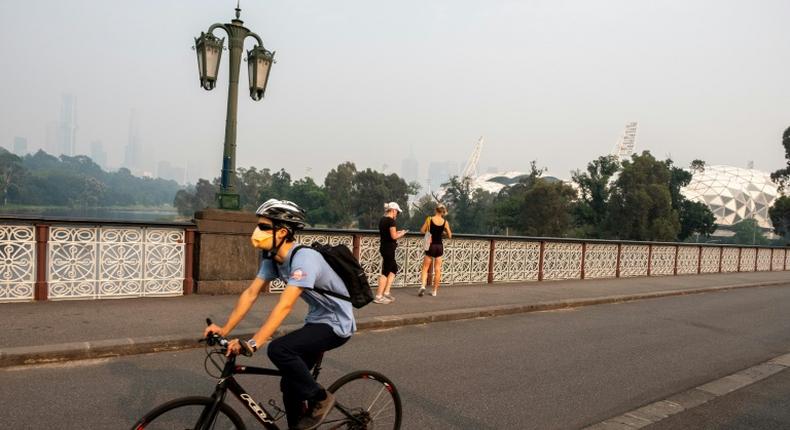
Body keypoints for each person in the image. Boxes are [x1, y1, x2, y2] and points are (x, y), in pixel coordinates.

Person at [203, 199, 355, 430]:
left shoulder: (305, 259)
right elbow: (251, 293)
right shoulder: (272, 258)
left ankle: (321, 398)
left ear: (283, 232)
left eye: (264, 227)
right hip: (316, 321)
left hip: (336, 325)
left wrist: (253, 343)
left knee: (279, 349)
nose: (257, 231)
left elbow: (284, 305)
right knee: (290, 384)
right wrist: (224, 330)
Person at [374, 202, 407, 304]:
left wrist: (397, 233)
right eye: (397, 212)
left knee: (394, 269)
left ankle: (386, 292)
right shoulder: (391, 221)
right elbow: (393, 237)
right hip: (389, 248)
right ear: (393, 210)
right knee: (386, 272)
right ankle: (379, 296)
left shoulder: (382, 220)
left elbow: (387, 234)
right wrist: (402, 234)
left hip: (384, 246)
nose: (397, 214)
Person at [418, 203, 452, 297]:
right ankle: (435, 291)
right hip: (439, 246)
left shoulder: (429, 219)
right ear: (442, 211)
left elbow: (422, 230)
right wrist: (443, 233)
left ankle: (423, 285)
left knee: (425, 268)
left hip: (430, 245)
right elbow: (450, 236)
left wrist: (430, 231)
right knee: (437, 269)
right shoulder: (445, 222)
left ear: (435, 210)